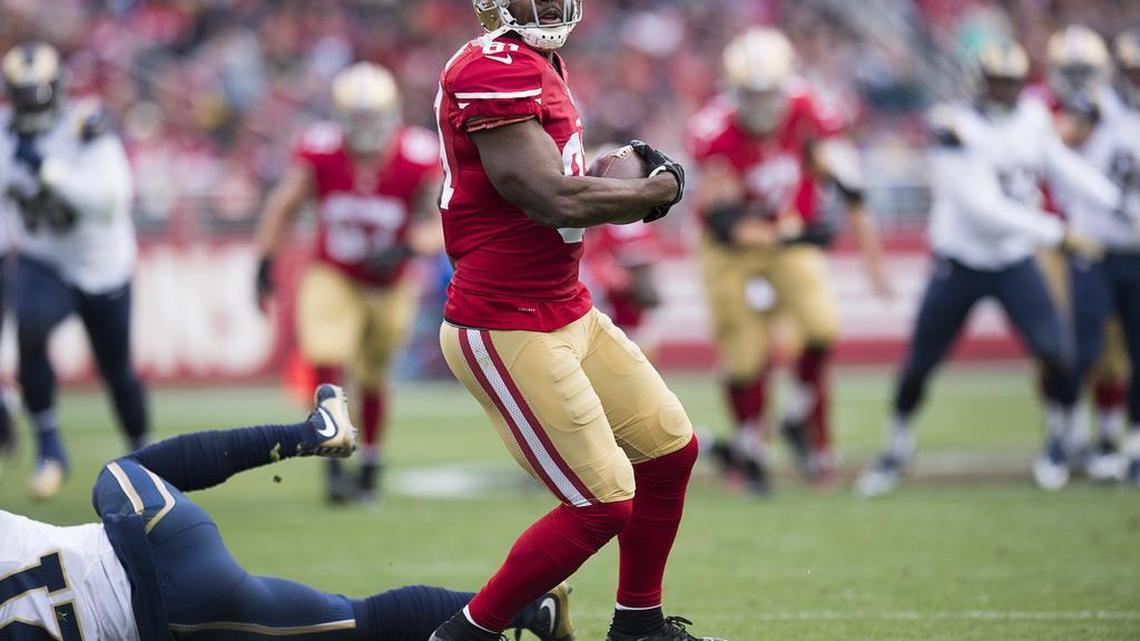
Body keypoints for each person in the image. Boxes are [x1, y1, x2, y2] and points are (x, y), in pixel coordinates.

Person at [430, 2, 723, 641]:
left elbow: (558, 183)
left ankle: (639, 626)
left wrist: (608, 174)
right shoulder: (492, 66)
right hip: (505, 321)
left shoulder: (537, 61)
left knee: (669, 449)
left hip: (565, 305)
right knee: (602, 501)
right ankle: (464, 634)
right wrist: (652, 193)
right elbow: (547, 197)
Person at [1, 383, 574, 641]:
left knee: (361, 620)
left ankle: (531, 609)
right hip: (153, 537)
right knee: (119, 473)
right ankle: (313, 432)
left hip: (187, 619)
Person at [855, 41, 1122, 498]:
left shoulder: (1032, 117)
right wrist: (1054, 231)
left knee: (1056, 353)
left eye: (1008, 83)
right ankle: (896, 448)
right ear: (977, 84)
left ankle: (1059, 442)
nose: (1002, 92)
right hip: (960, 260)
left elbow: (1061, 164)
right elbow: (980, 208)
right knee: (920, 363)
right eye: (995, 83)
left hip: (1013, 259)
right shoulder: (954, 126)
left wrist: (1117, 202)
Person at [686, 27, 892, 491]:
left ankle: (798, 418)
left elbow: (850, 184)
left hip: (787, 239)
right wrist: (793, 231)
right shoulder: (713, 130)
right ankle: (751, 452)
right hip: (730, 250)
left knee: (822, 328)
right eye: (751, 95)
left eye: (769, 93)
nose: (761, 105)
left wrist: (873, 263)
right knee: (745, 357)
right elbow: (727, 223)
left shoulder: (811, 111)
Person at [255, 62, 443, 504]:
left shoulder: (416, 155)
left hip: (390, 281)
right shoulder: (320, 151)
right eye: (357, 117)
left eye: (372, 115)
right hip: (334, 272)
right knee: (326, 355)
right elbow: (283, 205)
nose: (366, 126)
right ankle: (334, 458)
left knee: (374, 375)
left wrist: (408, 248)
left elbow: (444, 219)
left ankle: (372, 463)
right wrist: (264, 263)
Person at [0, 41, 148, 500]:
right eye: (23, 95)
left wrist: (50, 172)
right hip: (45, 258)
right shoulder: (4, 136)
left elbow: (110, 201)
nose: (31, 106)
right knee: (30, 330)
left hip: (102, 266)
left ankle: (144, 455)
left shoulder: (86, 126)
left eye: (38, 94)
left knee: (116, 370)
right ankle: (50, 451)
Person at [1037, 25, 1134, 482]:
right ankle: (1063, 435)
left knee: (1114, 351)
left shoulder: (1112, 109)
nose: (1076, 80)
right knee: (1061, 343)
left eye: (1085, 71)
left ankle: (1110, 439)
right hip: (1058, 236)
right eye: (1069, 70)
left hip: (1110, 241)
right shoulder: (1038, 109)